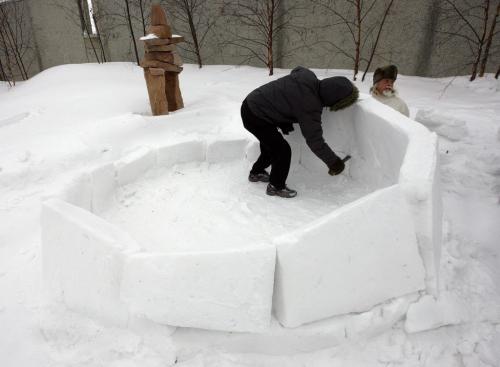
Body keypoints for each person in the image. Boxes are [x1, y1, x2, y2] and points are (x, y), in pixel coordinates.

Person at [241, 66, 359, 198]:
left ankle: (256, 173)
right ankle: (275, 186)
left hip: (252, 103)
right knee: (282, 150)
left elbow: (297, 70)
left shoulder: (307, 77)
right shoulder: (310, 105)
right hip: (256, 115)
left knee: (271, 146)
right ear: (333, 100)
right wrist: (334, 163)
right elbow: (315, 140)